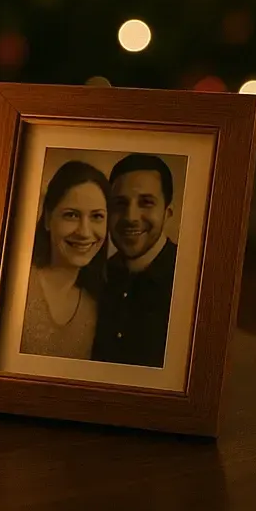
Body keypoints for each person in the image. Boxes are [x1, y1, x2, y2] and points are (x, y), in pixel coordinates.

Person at [92, 153, 177, 368]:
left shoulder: (194, 278)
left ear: (167, 213)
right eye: (120, 203)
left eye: (146, 203)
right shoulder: (94, 276)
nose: (130, 216)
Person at [20, 160, 109, 360]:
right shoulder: (17, 284)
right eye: (71, 215)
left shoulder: (95, 304)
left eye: (97, 216)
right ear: (48, 218)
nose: (85, 232)